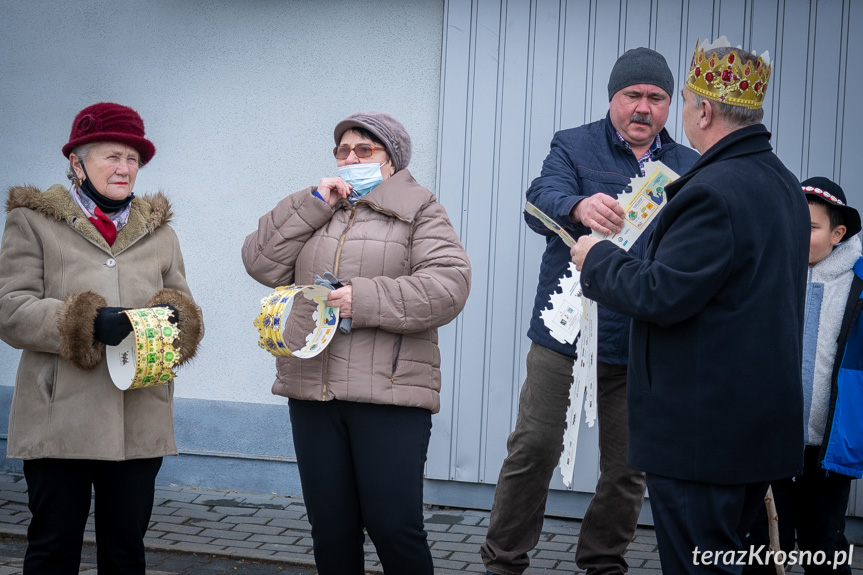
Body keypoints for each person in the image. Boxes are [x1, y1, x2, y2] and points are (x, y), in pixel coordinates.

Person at [572, 37, 809, 574]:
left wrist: (598, 258)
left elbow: (660, 293)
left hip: (705, 436)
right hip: (754, 429)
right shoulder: (783, 184)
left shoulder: (712, 190)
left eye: (679, 102)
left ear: (703, 110)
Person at [480, 48, 698, 575]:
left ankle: (603, 562)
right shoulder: (573, 144)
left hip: (643, 337)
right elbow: (537, 200)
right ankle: (503, 560)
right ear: (613, 98)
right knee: (534, 446)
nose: (643, 108)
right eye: (632, 96)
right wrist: (576, 206)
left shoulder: (690, 167)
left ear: (670, 105)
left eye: (656, 97)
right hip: (566, 332)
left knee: (628, 465)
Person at [241, 111, 471, 575]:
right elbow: (260, 262)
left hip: (388, 392)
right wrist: (311, 204)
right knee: (331, 530)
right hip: (313, 391)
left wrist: (360, 299)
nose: (350, 158)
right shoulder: (320, 208)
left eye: (364, 150)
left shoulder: (421, 210)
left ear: (392, 161)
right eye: (342, 150)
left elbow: (449, 286)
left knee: (394, 528)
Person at [0, 102, 204, 574]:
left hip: (139, 414)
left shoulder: (161, 232)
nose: (124, 168)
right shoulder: (32, 221)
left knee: (126, 552)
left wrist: (175, 320)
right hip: (60, 415)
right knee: (53, 547)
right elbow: (11, 309)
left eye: (132, 159)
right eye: (111, 156)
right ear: (76, 163)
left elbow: (185, 307)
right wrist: (86, 323)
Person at [744, 177, 862, 575]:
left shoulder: (858, 284)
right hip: (770, 440)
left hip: (826, 449)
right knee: (763, 541)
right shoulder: (769, 271)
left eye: (810, 227)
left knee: (824, 541)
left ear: (837, 233)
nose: (797, 233)